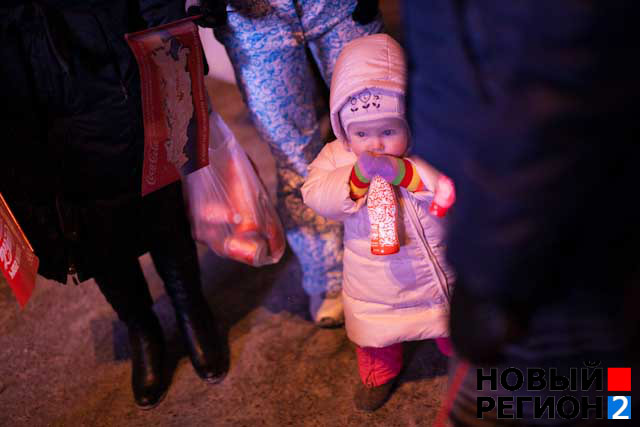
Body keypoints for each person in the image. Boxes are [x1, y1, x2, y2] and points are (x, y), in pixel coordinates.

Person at [402, 0, 640, 424]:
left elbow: (551, 108)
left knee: (586, 394)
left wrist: (486, 277)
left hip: (538, 240)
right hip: (501, 198)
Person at [0, 0, 227, 410]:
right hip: (33, 100)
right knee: (89, 232)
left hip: (117, 70)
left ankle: (193, 312)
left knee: (160, 205)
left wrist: (177, 51)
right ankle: (142, 329)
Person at [187, 0, 383, 327]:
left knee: (378, 132)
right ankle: (330, 276)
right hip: (251, 20)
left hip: (335, 6)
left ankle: (399, 252)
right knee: (293, 155)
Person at [301, 34, 455, 412]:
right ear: (343, 128)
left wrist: (404, 171)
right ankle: (379, 368)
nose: (376, 145)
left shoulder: (426, 148)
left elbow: (446, 185)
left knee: (453, 317)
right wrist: (356, 178)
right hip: (376, 278)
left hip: (436, 268)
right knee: (376, 330)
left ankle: (461, 346)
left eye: (389, 131)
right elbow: (315, 192)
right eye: (362, 134)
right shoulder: (337, 157)